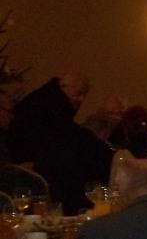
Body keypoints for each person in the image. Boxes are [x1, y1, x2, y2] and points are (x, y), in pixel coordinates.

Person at [9, 73, 111, 214]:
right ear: (63, 86)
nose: (81, 99)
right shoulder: (44, 105)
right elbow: (60, 136)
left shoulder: (47, 102)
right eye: (79, 93)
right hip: (37, 171)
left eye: (84, 95)